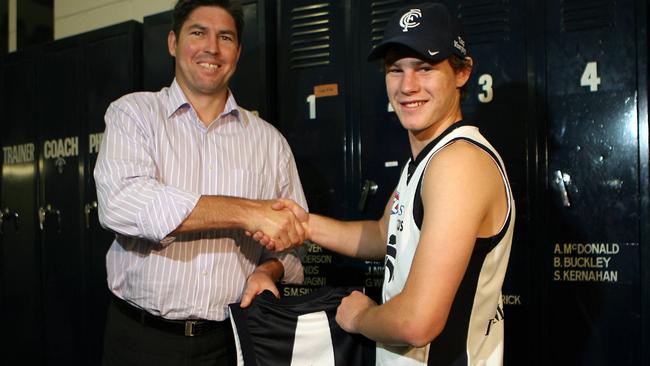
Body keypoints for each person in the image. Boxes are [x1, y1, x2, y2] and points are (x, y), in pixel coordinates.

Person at [261, 2, 515, 365]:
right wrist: (302, 224)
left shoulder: (458, 163)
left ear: (462, 72)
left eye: (424, 68)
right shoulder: (427, 160)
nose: (407, 86)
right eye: (396, 70)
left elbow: (416, 323)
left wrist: (361, 316)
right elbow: (385, 235)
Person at [93, 0, 308, 364]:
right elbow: (122, 202)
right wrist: (248, 213)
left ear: (237, 52)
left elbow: (293, 240)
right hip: (142, 341)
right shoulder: (134, 114)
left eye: (225, 37)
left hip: (230, 342)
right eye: (198, 33)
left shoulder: (270, 143)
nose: (212, 47)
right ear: (173, 42)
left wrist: (267, 269)